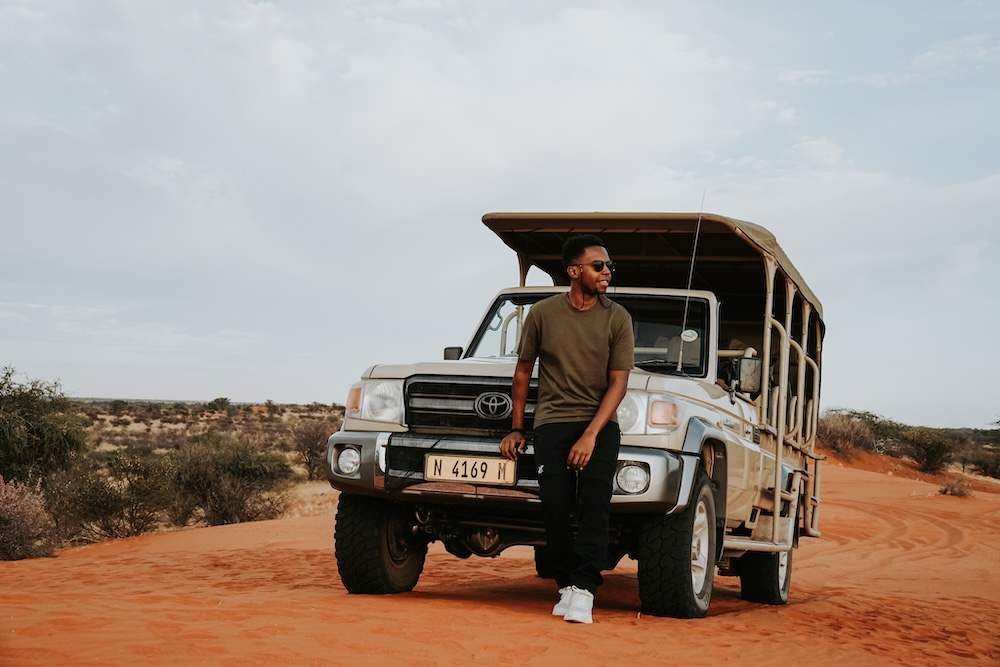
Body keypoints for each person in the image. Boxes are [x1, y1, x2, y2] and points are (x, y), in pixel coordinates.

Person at [499, 234, 634, 624]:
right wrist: (516, 428)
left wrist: (591, 435)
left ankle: (585, 588)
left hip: (599, 425)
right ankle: (566, 584)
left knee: (595, 506)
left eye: (609, 266)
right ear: (574, 271)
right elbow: (523, 372)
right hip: (553, 423)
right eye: (599, 266)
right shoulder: (543, 313)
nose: (607, 272)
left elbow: (619, 383)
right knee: (555, 509)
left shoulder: (617, 318)